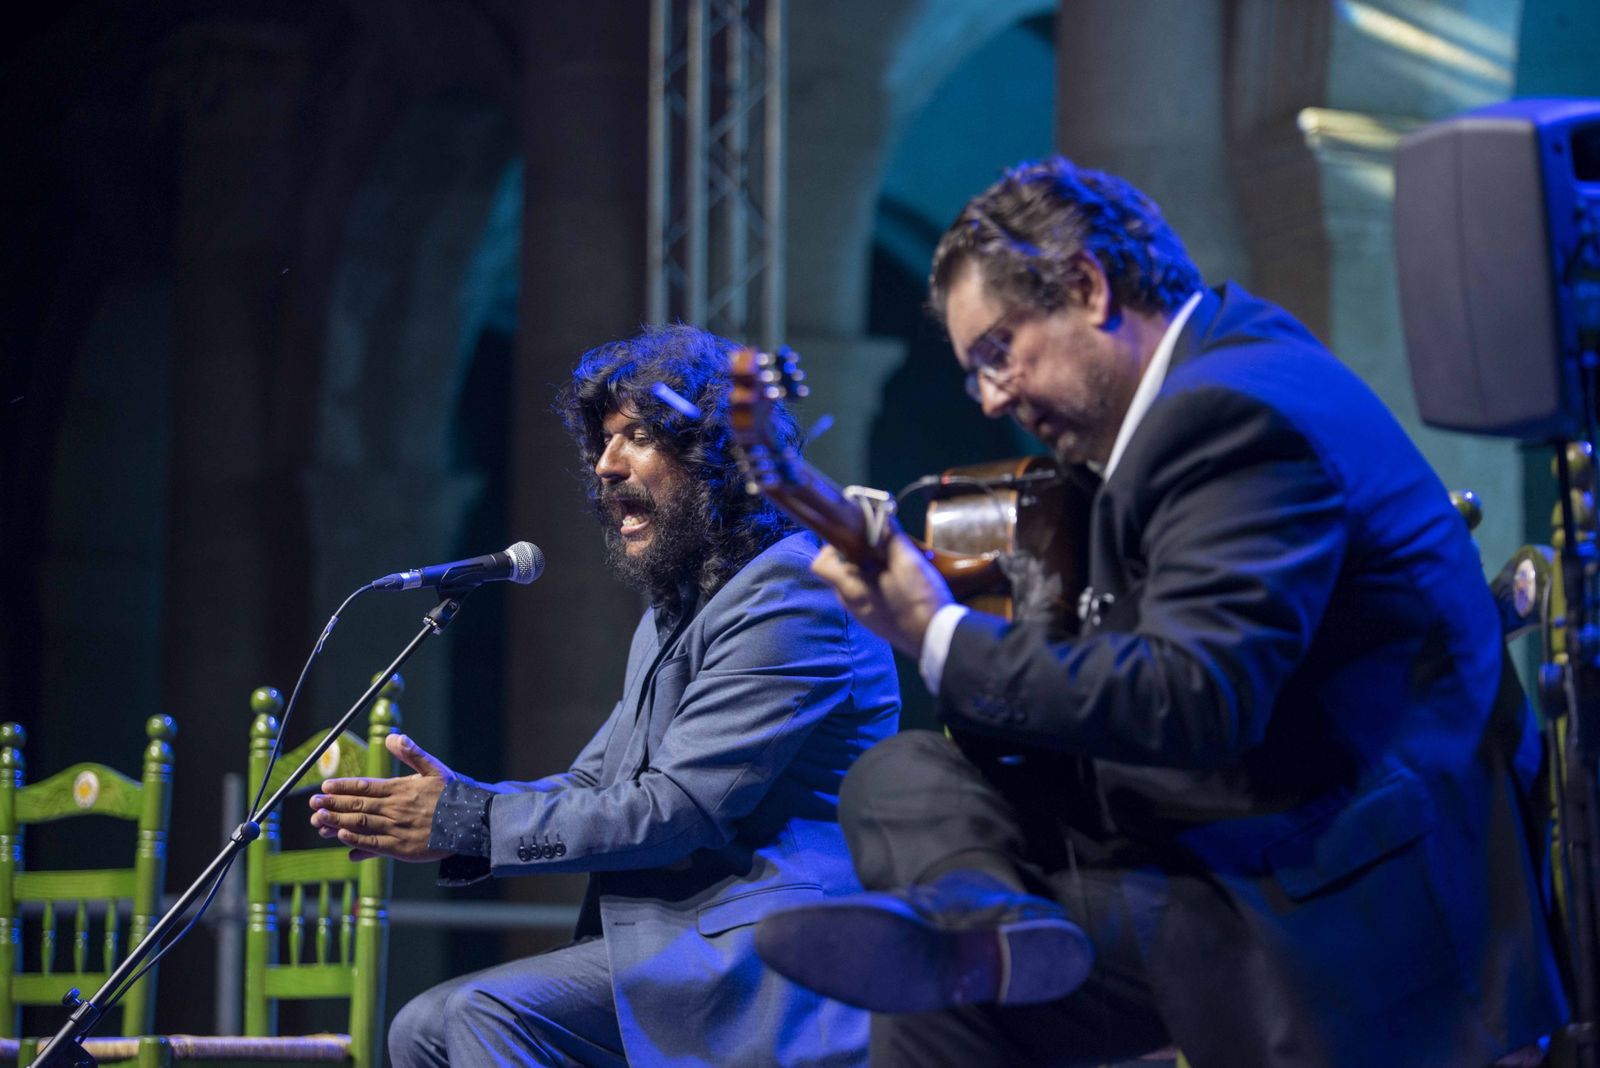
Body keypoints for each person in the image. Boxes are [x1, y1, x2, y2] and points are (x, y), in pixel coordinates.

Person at [754, 158, 1568, 1068]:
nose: (988, 398)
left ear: (1088, 288)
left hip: (1324, 894)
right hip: (1223, 835)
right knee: (901, 774)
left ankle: (976, 942)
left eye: (997, 352)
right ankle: (984, 915)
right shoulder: (1215, 370)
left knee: (944, 997)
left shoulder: (1225, 414)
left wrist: (936, 632)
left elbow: (1196, 698)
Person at [309, 324, 900, 1067]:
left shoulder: (795, 592)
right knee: (424, 1028)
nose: (605, 465)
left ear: (718, 455)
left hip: (770, 961)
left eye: (639, 437)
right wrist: (458, 810)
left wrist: (473, 821)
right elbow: (600, 783)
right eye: (601, 441)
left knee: (473, 1015)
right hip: (680, 949)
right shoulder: (682, 607)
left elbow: (679, 807)